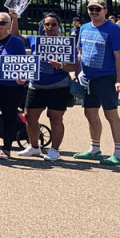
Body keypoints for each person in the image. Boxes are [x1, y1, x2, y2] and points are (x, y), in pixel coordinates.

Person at [16, 13, 78, 161]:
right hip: (36, 85)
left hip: (59, 86)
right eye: (47, 24)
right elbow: (15, 35)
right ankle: (34, 147)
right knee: (29, 116)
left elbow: (75, 65)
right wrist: (14, 18)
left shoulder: (66, 43)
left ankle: (54, 150)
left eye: (53, 24)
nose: (50, 27)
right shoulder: (34, 40)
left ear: (59, 26)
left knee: (55, 118)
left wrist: (61, 65)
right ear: (43, 26)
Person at [73, 0, 120, 166]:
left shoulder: (114, 30)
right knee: (90, 113)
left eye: (97, 9)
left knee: (111, 114)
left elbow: (119, 56)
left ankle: (119, 153)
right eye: (91, 9)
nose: (94, 12)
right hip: (88, 79)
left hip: (107, 78)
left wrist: (119, 80)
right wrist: (76, 73)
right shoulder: (84, 28)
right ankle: (95, 149)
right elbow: (80, 52)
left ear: (105, 10)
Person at [0, 10, 27, 160]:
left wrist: (21, 77)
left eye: (2, 23)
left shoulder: (16, 42)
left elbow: (23, 63)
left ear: (9, 25)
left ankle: (6, 148)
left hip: (11, 87)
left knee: (9, 116)